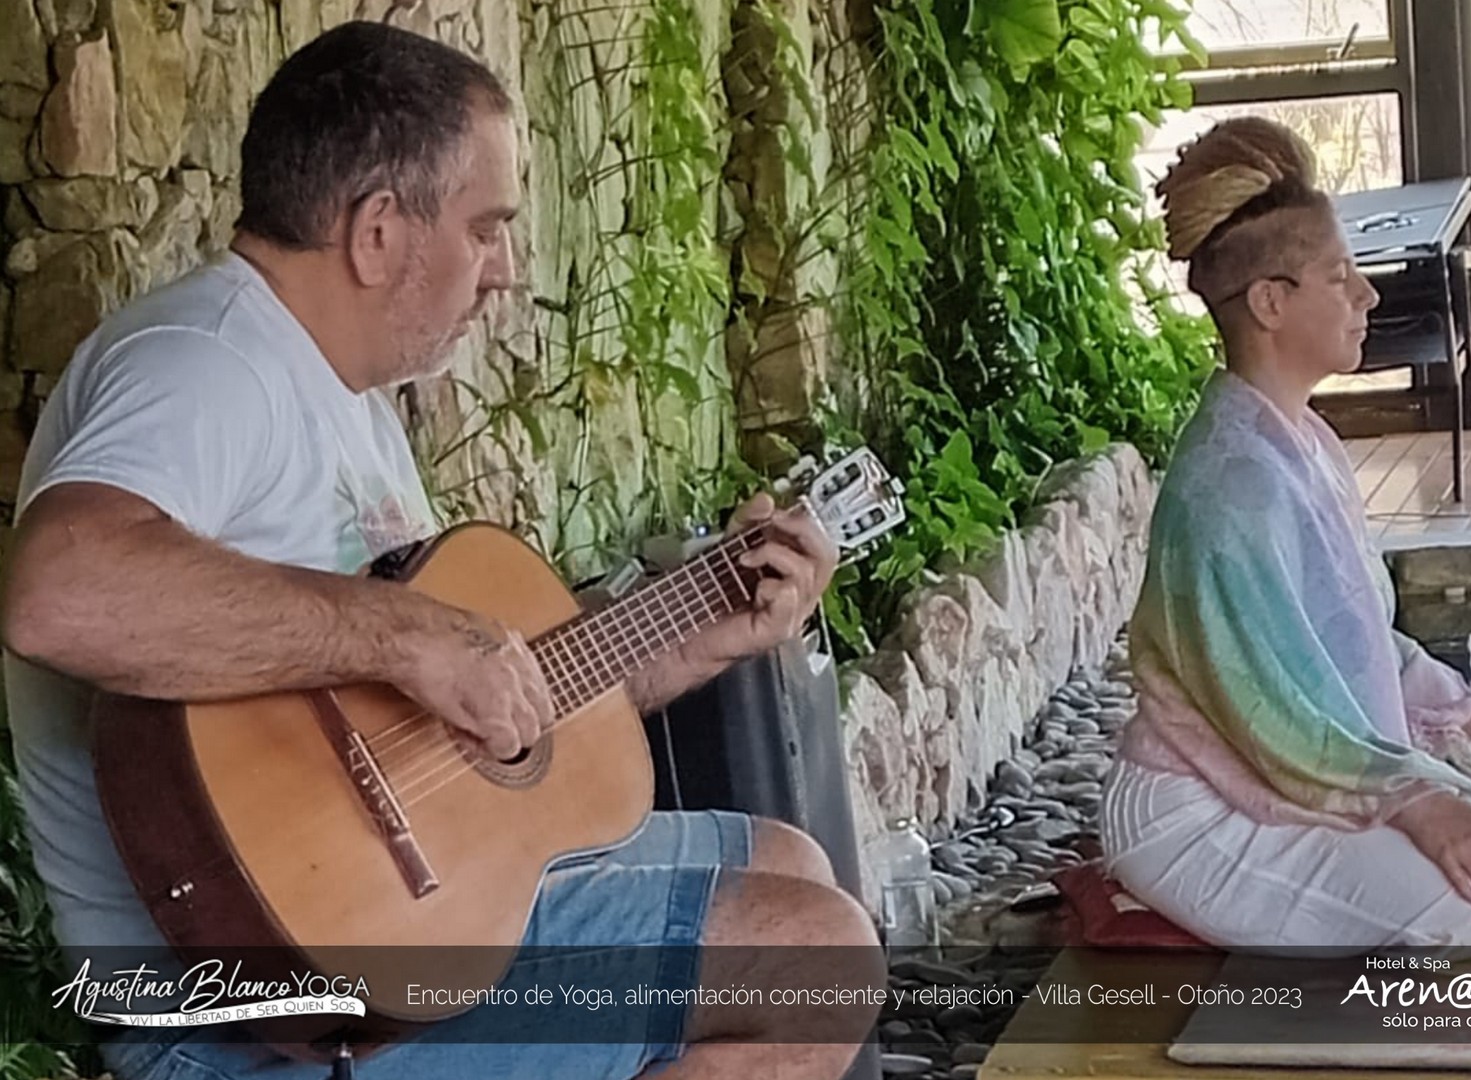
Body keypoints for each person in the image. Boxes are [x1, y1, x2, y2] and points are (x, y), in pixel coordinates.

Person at [0, 21, 882, 1080]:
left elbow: (478, 725)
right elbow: (61, 595)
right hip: (240, 1017)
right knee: (816, 960)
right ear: (378, 232)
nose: (505, 271)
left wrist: (702, 633)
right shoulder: (204, 361)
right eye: (486, 227)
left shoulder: (349, 402)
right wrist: (404, 635)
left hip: (391, 918)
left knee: (790, 862)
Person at [1100, 117, 1471, 952]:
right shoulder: (1230, 486)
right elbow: (1269, 714)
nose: (1367, 297)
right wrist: (1418, 800)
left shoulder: (1302, 438)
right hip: (1204, 811)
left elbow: (1363, 641)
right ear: (1270, 302)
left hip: (1307, 773)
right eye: (1340, 277)